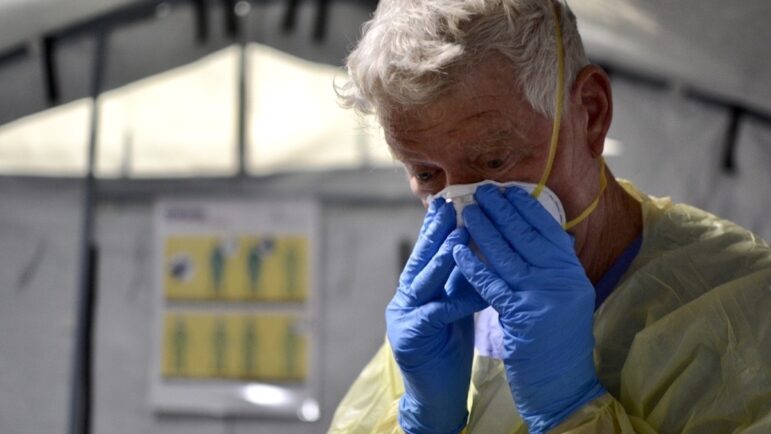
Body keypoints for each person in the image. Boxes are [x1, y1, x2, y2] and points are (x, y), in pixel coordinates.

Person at [328, 1, 771, 433]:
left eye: (495, 160)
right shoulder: (442, 323)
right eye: (426, 174)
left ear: (590, 115)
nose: (465, 206)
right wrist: (420, 422)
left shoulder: (742, 311)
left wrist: (568, 411)